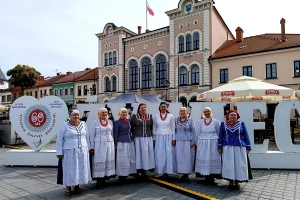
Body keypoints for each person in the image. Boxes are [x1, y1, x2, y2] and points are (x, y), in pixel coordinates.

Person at [56, 109, 91, 196]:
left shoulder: (83, 124)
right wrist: (59, 152)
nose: (76, 117)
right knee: (70, 168)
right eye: (74, 115)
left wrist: (89, 148)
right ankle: (68, 187)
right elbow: (59, 139)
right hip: (69, 150)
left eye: (78, 115)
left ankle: (76, 185)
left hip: (82, 150)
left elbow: (87, 137)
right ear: (70, 116)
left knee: (79, 168)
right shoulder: (64, 125)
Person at [218, 110, 252, 189]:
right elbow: (220, 136)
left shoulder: (241, 124)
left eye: (234, 115)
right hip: (227, 147)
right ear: (228, 116)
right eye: (231, 115)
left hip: (239, 147)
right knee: (229, 164)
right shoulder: (223, 124)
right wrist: (219, 146)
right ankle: (230, 180)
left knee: (238, 164)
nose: (233, 116)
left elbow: (246, 135)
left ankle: (237, 181)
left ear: (237, 116)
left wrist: (248, 146)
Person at [89, 107, 115, 188]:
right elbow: (91, 136)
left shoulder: (110, 122)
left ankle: (105, 179)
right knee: (100, 160)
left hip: (109, 144)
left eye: (106, 112)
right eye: (102, 112)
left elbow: (112, 133)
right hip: (99, 145)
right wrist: (92, 147)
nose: (104, 114)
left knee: (107, 160)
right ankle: (99, 180)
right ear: (99, 114)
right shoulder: (95, 122)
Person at [195, 107, 221, 184]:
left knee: (212, 158)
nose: (207, 113)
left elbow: (219, 133)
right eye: (205, 111)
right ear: (203, 113)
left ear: (211, 112)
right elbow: (199, 132)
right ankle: (205, 176)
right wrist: (197, 143)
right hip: (203, 142)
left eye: (208, 111)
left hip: (213, 142)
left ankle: (212, 176)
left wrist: (220, 144)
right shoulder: (200, 122)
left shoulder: (216, 121)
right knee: (204, 158)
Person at [130, 103, 155, 179]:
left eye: (145, 107)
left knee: (146, 154)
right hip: (138, 138)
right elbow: (131, 127)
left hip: (148, 138)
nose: (143, 109)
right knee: (139, 154)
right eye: (142, 107)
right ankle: (139, 170)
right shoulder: (135, 116)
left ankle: (145, 170)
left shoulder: (150, 116)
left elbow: (151, 127)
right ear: (139, 109)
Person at [153, 102, 176, 179]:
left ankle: (168, 171)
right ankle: (161, 171)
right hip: (159, 136)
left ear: (167, 108)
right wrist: (154, 138)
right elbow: (154, 128)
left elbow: (173, 128)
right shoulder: (156, 116)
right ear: (159, 108)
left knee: (168, 153)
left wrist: (173, 138)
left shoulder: (171, 116)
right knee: (160, 153)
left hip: (168, 136)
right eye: (162, 107)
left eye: (164, 107)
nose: (163, 108)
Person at [113, 108, 136, 184]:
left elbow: (132, 130)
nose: (124, 114)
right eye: (123, 112)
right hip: (121, 142)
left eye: (125, 113)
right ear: (119, 113)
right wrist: (115, 145)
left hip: (130, 141)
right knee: (122, 159)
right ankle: (121, 176)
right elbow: (116, 134)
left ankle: (128, 173)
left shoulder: (129, 121)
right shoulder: (117, 122)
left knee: (130, 158)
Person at [174, 107, 196, 181]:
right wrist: (173, 139)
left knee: (187, 158)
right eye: (181, 111)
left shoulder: (190, 120)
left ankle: (186, 174)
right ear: (179, 112)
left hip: (188, 141)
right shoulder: (176, 120)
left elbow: (193, 131)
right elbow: (173, 130)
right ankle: (181, 172)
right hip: (178, 141)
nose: (183, 112)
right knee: (179, 157)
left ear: (187, 112)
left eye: (184, 111)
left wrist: (193, 141)